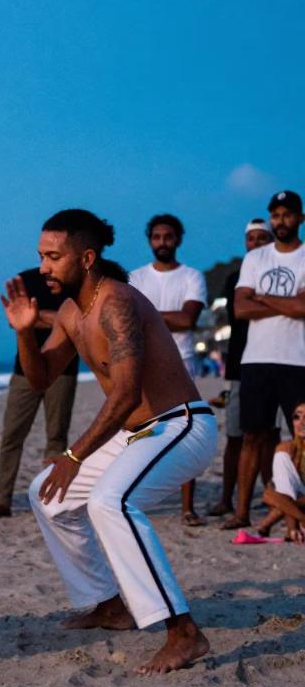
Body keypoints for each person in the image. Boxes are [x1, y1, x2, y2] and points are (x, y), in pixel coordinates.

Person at [3, 208, 217, 676]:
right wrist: (23, 332)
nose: (43, 267)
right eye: (41, 256)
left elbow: (124, 394)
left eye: (53, 257)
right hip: (136, 435)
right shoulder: (68, 312)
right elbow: (39, 379)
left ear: (86, 258)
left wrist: (74, 455)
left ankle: (184, 633)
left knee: (110, 502)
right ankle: (107, 605)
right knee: (46, 496)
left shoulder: (117, 301)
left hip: (179, 424)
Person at [222, 190, 305, 529]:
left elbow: (304, 309)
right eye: (275, 215)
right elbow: (240, 308)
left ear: (300, 218)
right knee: (251, 436)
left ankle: (295, 507)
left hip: (298, 361)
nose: (280, 221)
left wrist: (262, 295)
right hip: (255, 360)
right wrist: (289, 301)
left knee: (302, 437)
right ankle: (242, 512)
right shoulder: (255, 259)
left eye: (287, 215)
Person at [0, 265, 78, 519]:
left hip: (64, 369)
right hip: (24, 370)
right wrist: (58, 319)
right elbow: (18, 322)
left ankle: (50, 502)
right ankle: (2, 501)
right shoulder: (26, 280)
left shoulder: (75, 281)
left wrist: (38, 318)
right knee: (11, 436)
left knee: (56, 438)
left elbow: (80, 321)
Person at [129, 215, 208, 526]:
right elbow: (126, 318)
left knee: (185, 432)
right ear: (150, 240)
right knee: (140, 431)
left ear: (178, 239)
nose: (162, 242)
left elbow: (188, 320)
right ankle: (136, 498)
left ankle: (187, 507)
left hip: (182, 361)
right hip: (142, 362)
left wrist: (145, 314)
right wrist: (165, 317)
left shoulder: (192, 276)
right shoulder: (135, 278)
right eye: (157, 236)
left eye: (169, 236)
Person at [209, 219, 274, 517]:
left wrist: (258, 302)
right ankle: (226, 498)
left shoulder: (280, 275)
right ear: (246, 243)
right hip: (239, 365)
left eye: (263, 238)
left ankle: (271, 494)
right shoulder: (236, 277)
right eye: (252, 238)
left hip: (274, 361)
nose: (257, 243)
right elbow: (241, 314)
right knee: (236, 436)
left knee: (270, 436)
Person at [257, 401, 305, 542]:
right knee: (271, 494)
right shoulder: (287, 448)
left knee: (272, 496)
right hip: (298, 499)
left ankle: (267, 524)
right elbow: (286, 489)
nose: (301, 422)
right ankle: (295, 525)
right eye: (297, 417)